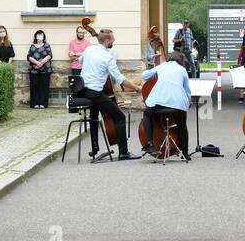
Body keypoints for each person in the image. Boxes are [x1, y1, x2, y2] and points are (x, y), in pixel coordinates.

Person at [77, 28, 140, 160]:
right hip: (95, 92)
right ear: (107, 40)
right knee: (120, 117)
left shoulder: (89, 49)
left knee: (94, 116)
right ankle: (123, 152)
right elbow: (120, 79)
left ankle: (95, 147)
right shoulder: (107, 57)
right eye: (112, 39)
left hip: (82, 91)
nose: (114, 41)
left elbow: (80, 61)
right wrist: (137, 88)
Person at [141, 48, 192, 160]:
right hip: (178, 103)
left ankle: (149, 142)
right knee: (182, 126)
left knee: (147, 114)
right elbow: (187, 90)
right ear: (181, 61)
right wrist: (188, 102)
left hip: (160, 102)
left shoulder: (163, 66)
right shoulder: (182, 70)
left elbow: (144, 75)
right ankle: (185, 153)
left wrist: (155, 73)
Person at [26, 30, 53, 108]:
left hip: (45, 69)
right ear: (35, 36)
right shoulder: (32, 46)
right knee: (34, 87)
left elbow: (49, 55)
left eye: (41, 35)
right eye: (38, 35)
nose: (40, 37)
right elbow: (29, 57)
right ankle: (35, 103)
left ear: (43, 36)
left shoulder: (47, 45)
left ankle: (43, 103)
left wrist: (41, 63)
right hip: (34, 70)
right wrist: (37, 63)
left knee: (44, 87)